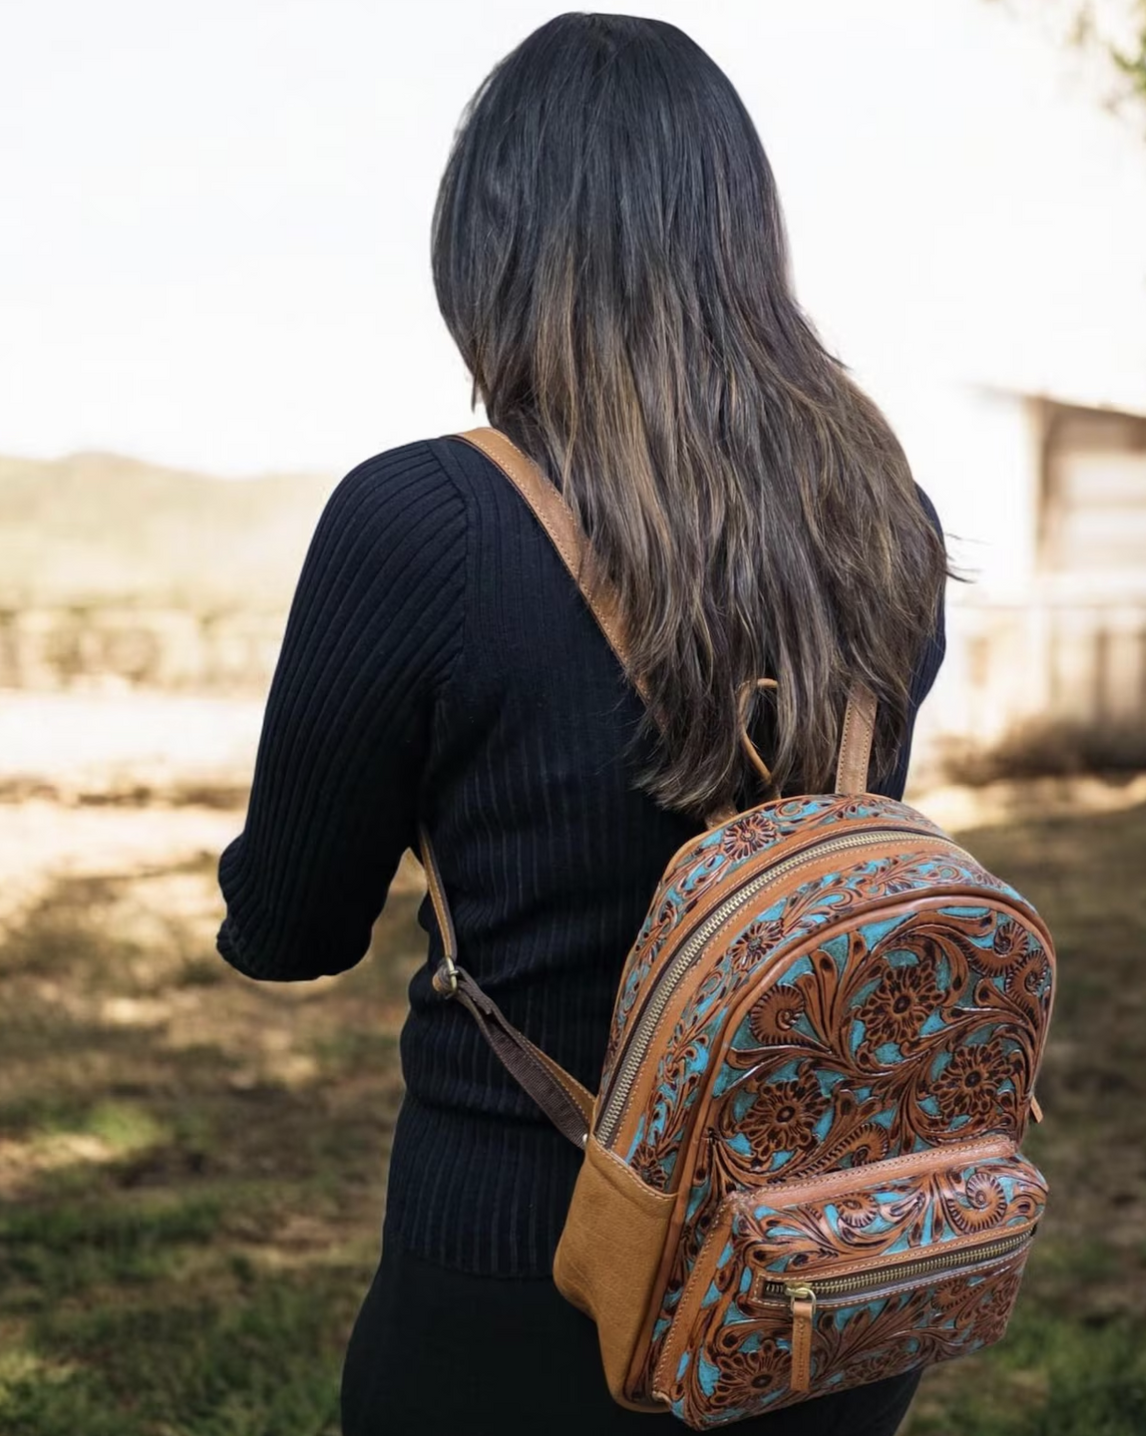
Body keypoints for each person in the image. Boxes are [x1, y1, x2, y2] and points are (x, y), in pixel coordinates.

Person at [215, 12, 951, 1433]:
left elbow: (291, 932)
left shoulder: (422, 521)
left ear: (488, 251)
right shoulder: (885, 519)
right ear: (742, 233)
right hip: (828, 1274)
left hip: (522, 1293)